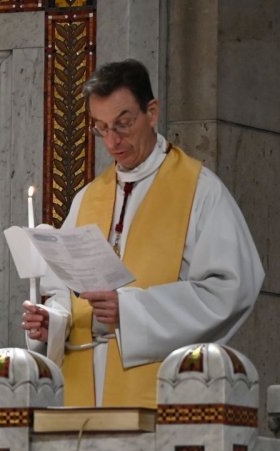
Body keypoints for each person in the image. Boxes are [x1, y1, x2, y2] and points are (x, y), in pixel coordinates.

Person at [22, 59, 263, 407]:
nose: (112, 141)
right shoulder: (88, 198)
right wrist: (52, 325)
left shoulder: (198, 190)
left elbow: (230, 290)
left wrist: (132, 312)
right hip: (83, 398)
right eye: (101, 128)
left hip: (160, 396)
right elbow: (64, 292)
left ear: (152, 112)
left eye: (123, 124)